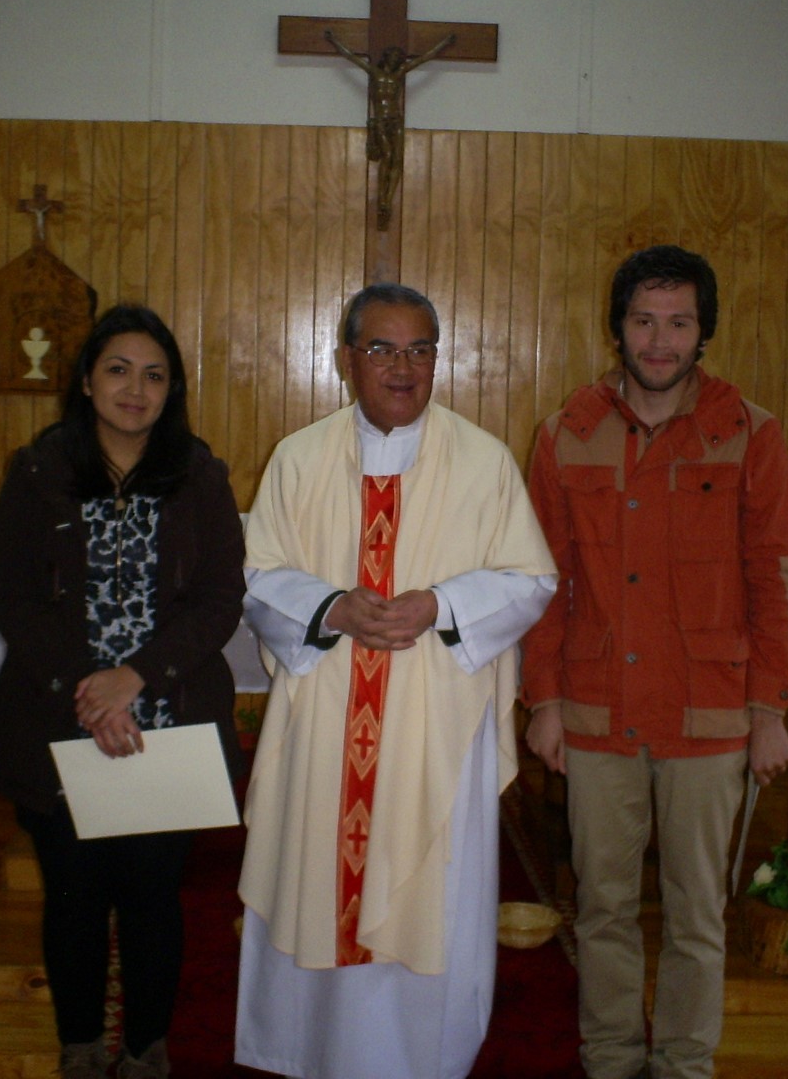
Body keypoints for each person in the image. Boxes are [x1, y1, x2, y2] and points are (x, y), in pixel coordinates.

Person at [235, 283, 557, 1079]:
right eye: (381, 348)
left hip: (432, 726)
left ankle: (422, 1060)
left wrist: (441, 605)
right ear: (347, 359)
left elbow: (530, 579)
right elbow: (257, 575)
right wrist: (332, 607)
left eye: (420, 350)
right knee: (317, 879)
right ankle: (308, 1051)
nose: (402, 367)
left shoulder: (483, 462)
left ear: (439, 360)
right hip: (325, 720)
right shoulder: (300, 458)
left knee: (429, 896)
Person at [521, 246, 788, 1079]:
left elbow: (774, 576)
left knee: (696, 913)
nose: (659, 339)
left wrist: (769, 709)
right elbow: (543, 582)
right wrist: (542, 702)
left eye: (679, 322)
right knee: (602, 905)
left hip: (709, 713)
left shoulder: (750, 434)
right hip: (597, 706)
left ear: (702, 332)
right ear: (618, 328)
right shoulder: (566, 434)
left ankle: (684, 1065)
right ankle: (609, 1060)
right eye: (644, 320)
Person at [0, 304, 245, 1079]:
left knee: (156, 896)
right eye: (119, 369)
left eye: (155, 374)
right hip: (61, 717)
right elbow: (13, 594)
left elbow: (219, 598)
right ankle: (81, 1047)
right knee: (74, 896)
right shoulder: (40, 471)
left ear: (173, 390)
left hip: (169, 718)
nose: (136, 388)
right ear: (88, 380)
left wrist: (137, 677)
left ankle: (146, 1048)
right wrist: (88, 691)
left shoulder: (199, 476)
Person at [324, 30, 455, 228]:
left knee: (398, 159)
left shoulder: (399, 74)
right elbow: (351, 56)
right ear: (386, 58)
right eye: (393, 57)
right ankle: (382, 198)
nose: (395, 61)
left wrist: (444, 43)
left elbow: (425, 58)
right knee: (386, 156)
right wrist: (334, 40)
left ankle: (388, 200)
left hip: (396, 121)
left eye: (398, 58)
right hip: (380, 122)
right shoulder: (374, 73)